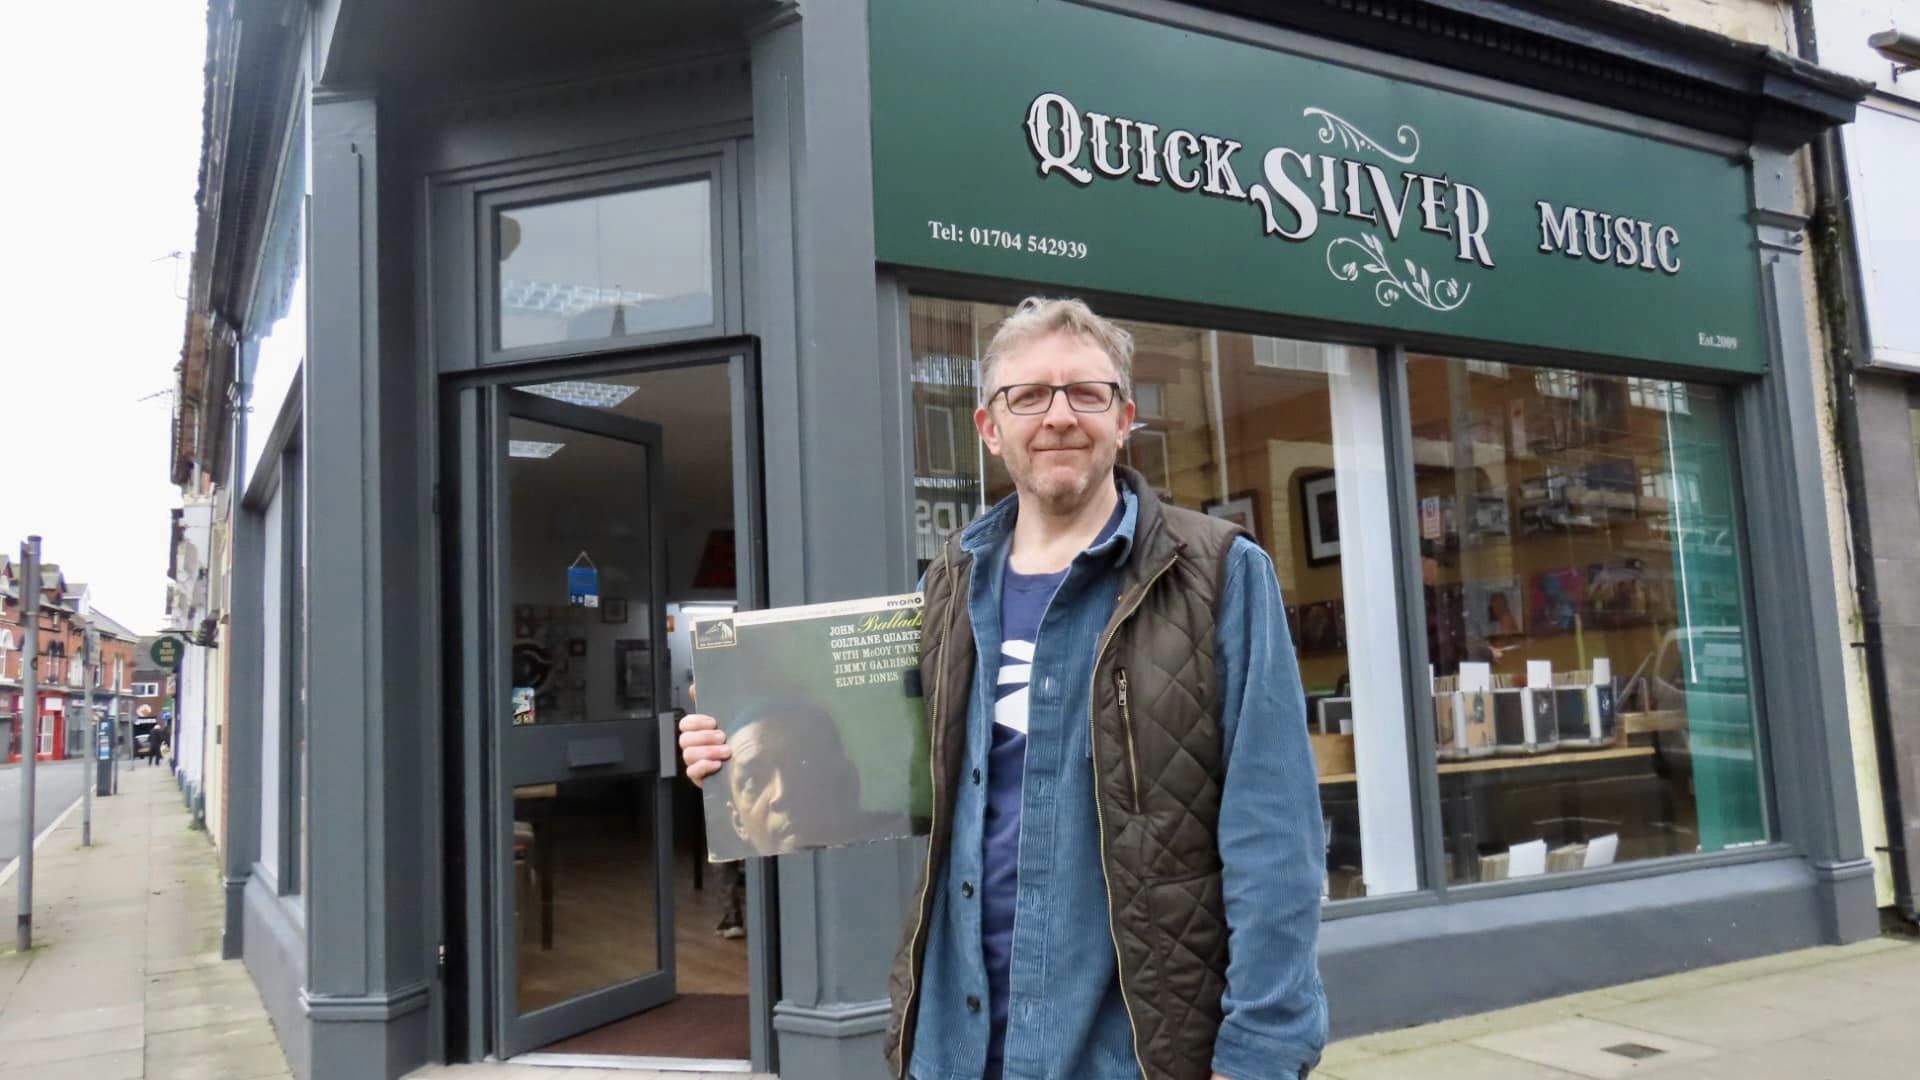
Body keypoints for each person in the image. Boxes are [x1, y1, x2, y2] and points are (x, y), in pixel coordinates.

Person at [681, 297, 1327, 1080]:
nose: (1058, 416)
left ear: (1124, 419)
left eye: (1085, 393)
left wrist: (1259, 1050)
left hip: (1126, 1051)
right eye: (1029, 395)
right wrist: (724, 749)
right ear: (991, 429)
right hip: (954, 1045)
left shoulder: (1216, 574)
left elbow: (1275, 834)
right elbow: (888, 779)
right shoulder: (951, 584)